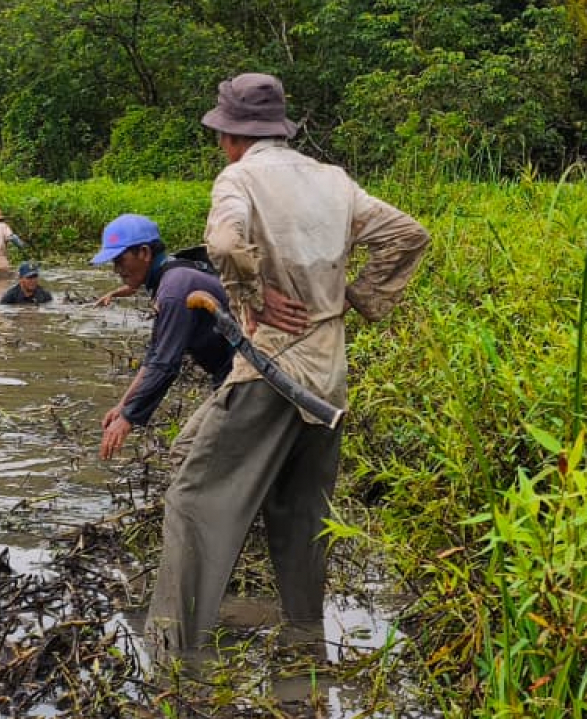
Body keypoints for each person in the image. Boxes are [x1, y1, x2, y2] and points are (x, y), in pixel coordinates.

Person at [145, 73, 430, 656]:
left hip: (272, 366)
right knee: (302, 513)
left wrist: (250, 293)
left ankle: (175, 648)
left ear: (230, 135)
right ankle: (305, 639)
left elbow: (224, 244)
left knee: (194, 497)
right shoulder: (333, 180)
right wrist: (354, 297)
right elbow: (407, 234)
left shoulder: (239, 177)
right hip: (329, 378)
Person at [90, 214, 234, 462]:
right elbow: (154, 356)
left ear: (144, 252)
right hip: (234, 375)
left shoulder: (174, 290)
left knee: (188, 452)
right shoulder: (173, 276)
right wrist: (124, 405)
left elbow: (165, 364)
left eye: (120, 259)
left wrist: (129, 417)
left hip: (248, 376)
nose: (117, 270)